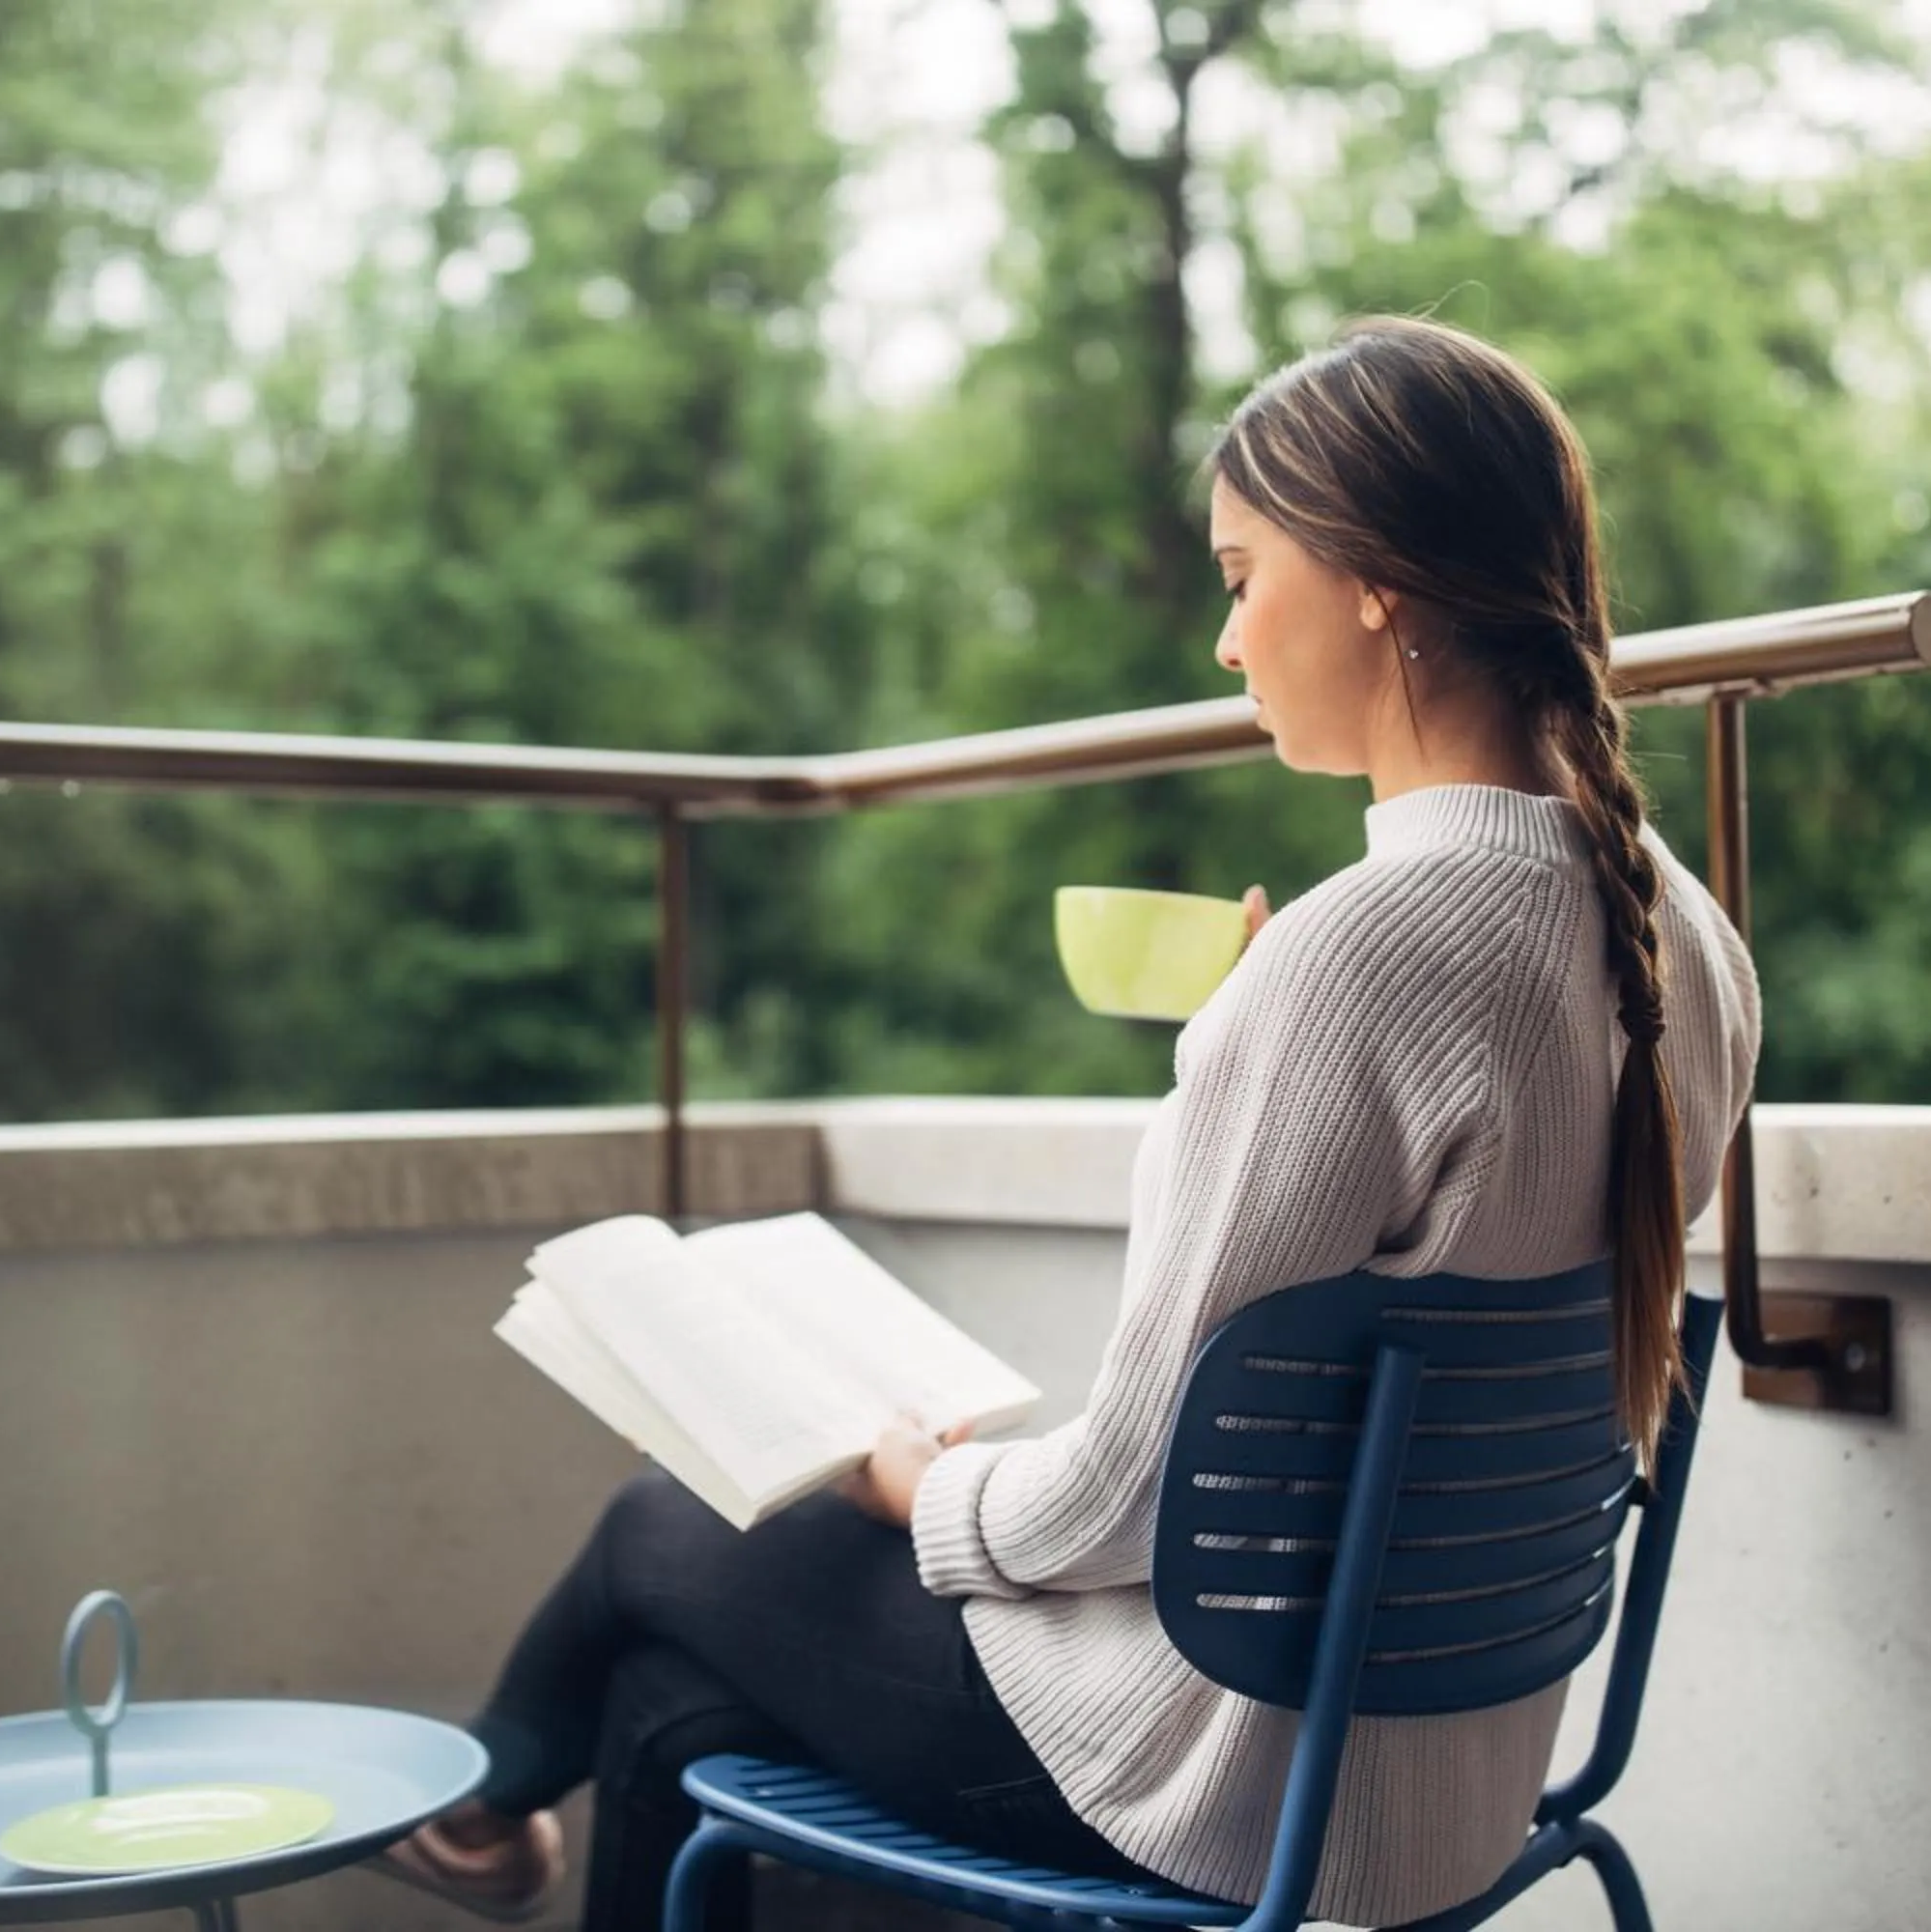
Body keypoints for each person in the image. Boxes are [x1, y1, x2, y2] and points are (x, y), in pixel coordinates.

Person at [372, 314, 1761, 1930]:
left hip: (1236, 1792)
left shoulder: (1354, 960)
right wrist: (1258, 1044)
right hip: (1460, 1774)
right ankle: (489, 1822)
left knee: (659, 1532)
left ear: (1376, 574)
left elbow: (1119, 1502)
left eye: (1244, 577)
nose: (1229, 643)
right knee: (676, 1715)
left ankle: (477, 1812)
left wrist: (915, 1484)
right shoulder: (1683, 931)